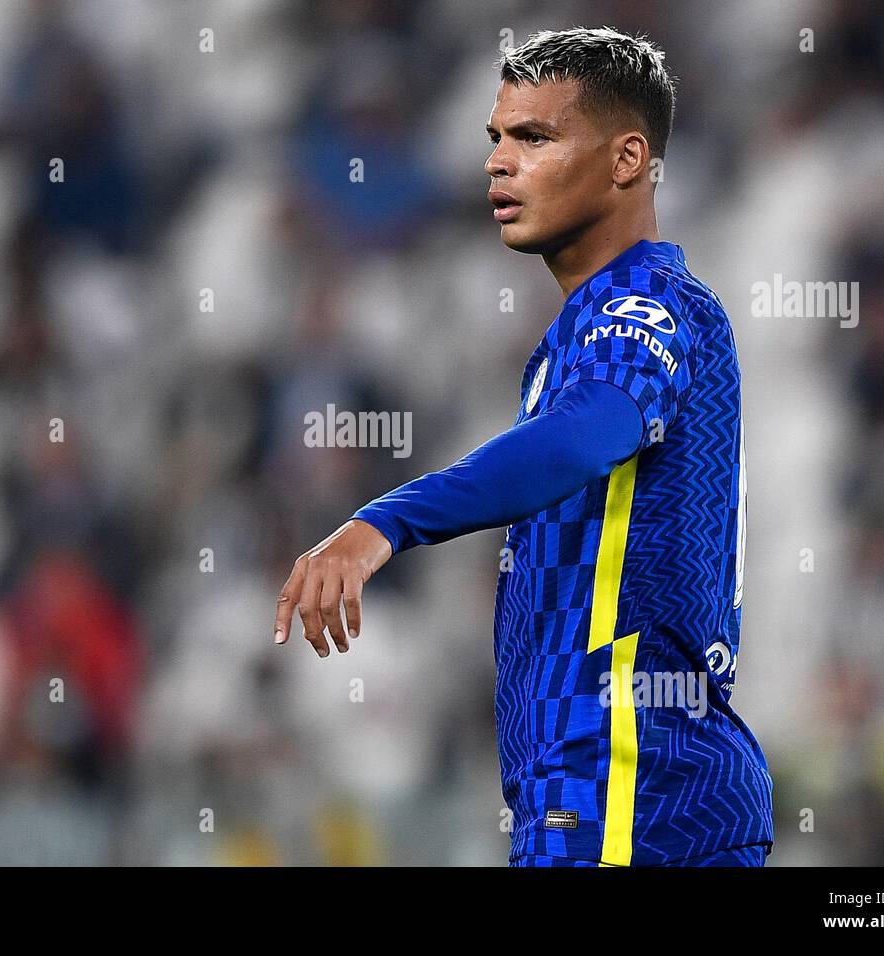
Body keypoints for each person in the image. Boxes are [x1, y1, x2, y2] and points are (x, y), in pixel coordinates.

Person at [273, 26, 773, 867]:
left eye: (534, 137)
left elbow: (586, 436)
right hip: (615, 784)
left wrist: (387, 522)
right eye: (496, 139)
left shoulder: (644, 304)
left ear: (625, 160)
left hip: (625, 781)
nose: (499, 163)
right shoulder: (581, 331)